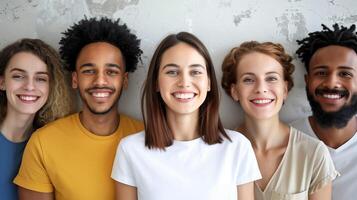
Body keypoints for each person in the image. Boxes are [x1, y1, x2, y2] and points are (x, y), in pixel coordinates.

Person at [111, 32, 261, 200]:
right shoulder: (130, 150)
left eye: (195, 71)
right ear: (156, 83)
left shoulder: (237, 147)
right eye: (172, 72)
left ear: (209, 82)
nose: (184, 82)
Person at [14, 17, 144, 200]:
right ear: (75, 79)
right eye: (89, 71)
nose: (100, 80)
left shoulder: (148, 138)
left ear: (125, 80)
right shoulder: (43, 143)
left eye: (111, 71)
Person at [221, 41, 337, 200]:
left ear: (284, 89)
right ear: (234, 91)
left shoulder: (313, 153)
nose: (261, 88)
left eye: (271, 78)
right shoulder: (219, 152)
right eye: (248, 79)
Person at [292, 23, 357, 200]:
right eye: (321, 72)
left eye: (345, 74)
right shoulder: (284, 141)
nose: (331, 83)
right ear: (307, 80)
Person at [0, 38, 71, 200]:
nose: (30, 86)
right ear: (2, 82)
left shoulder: (49, 146)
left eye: (40, 79)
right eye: (18, 76)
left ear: (51, 86)